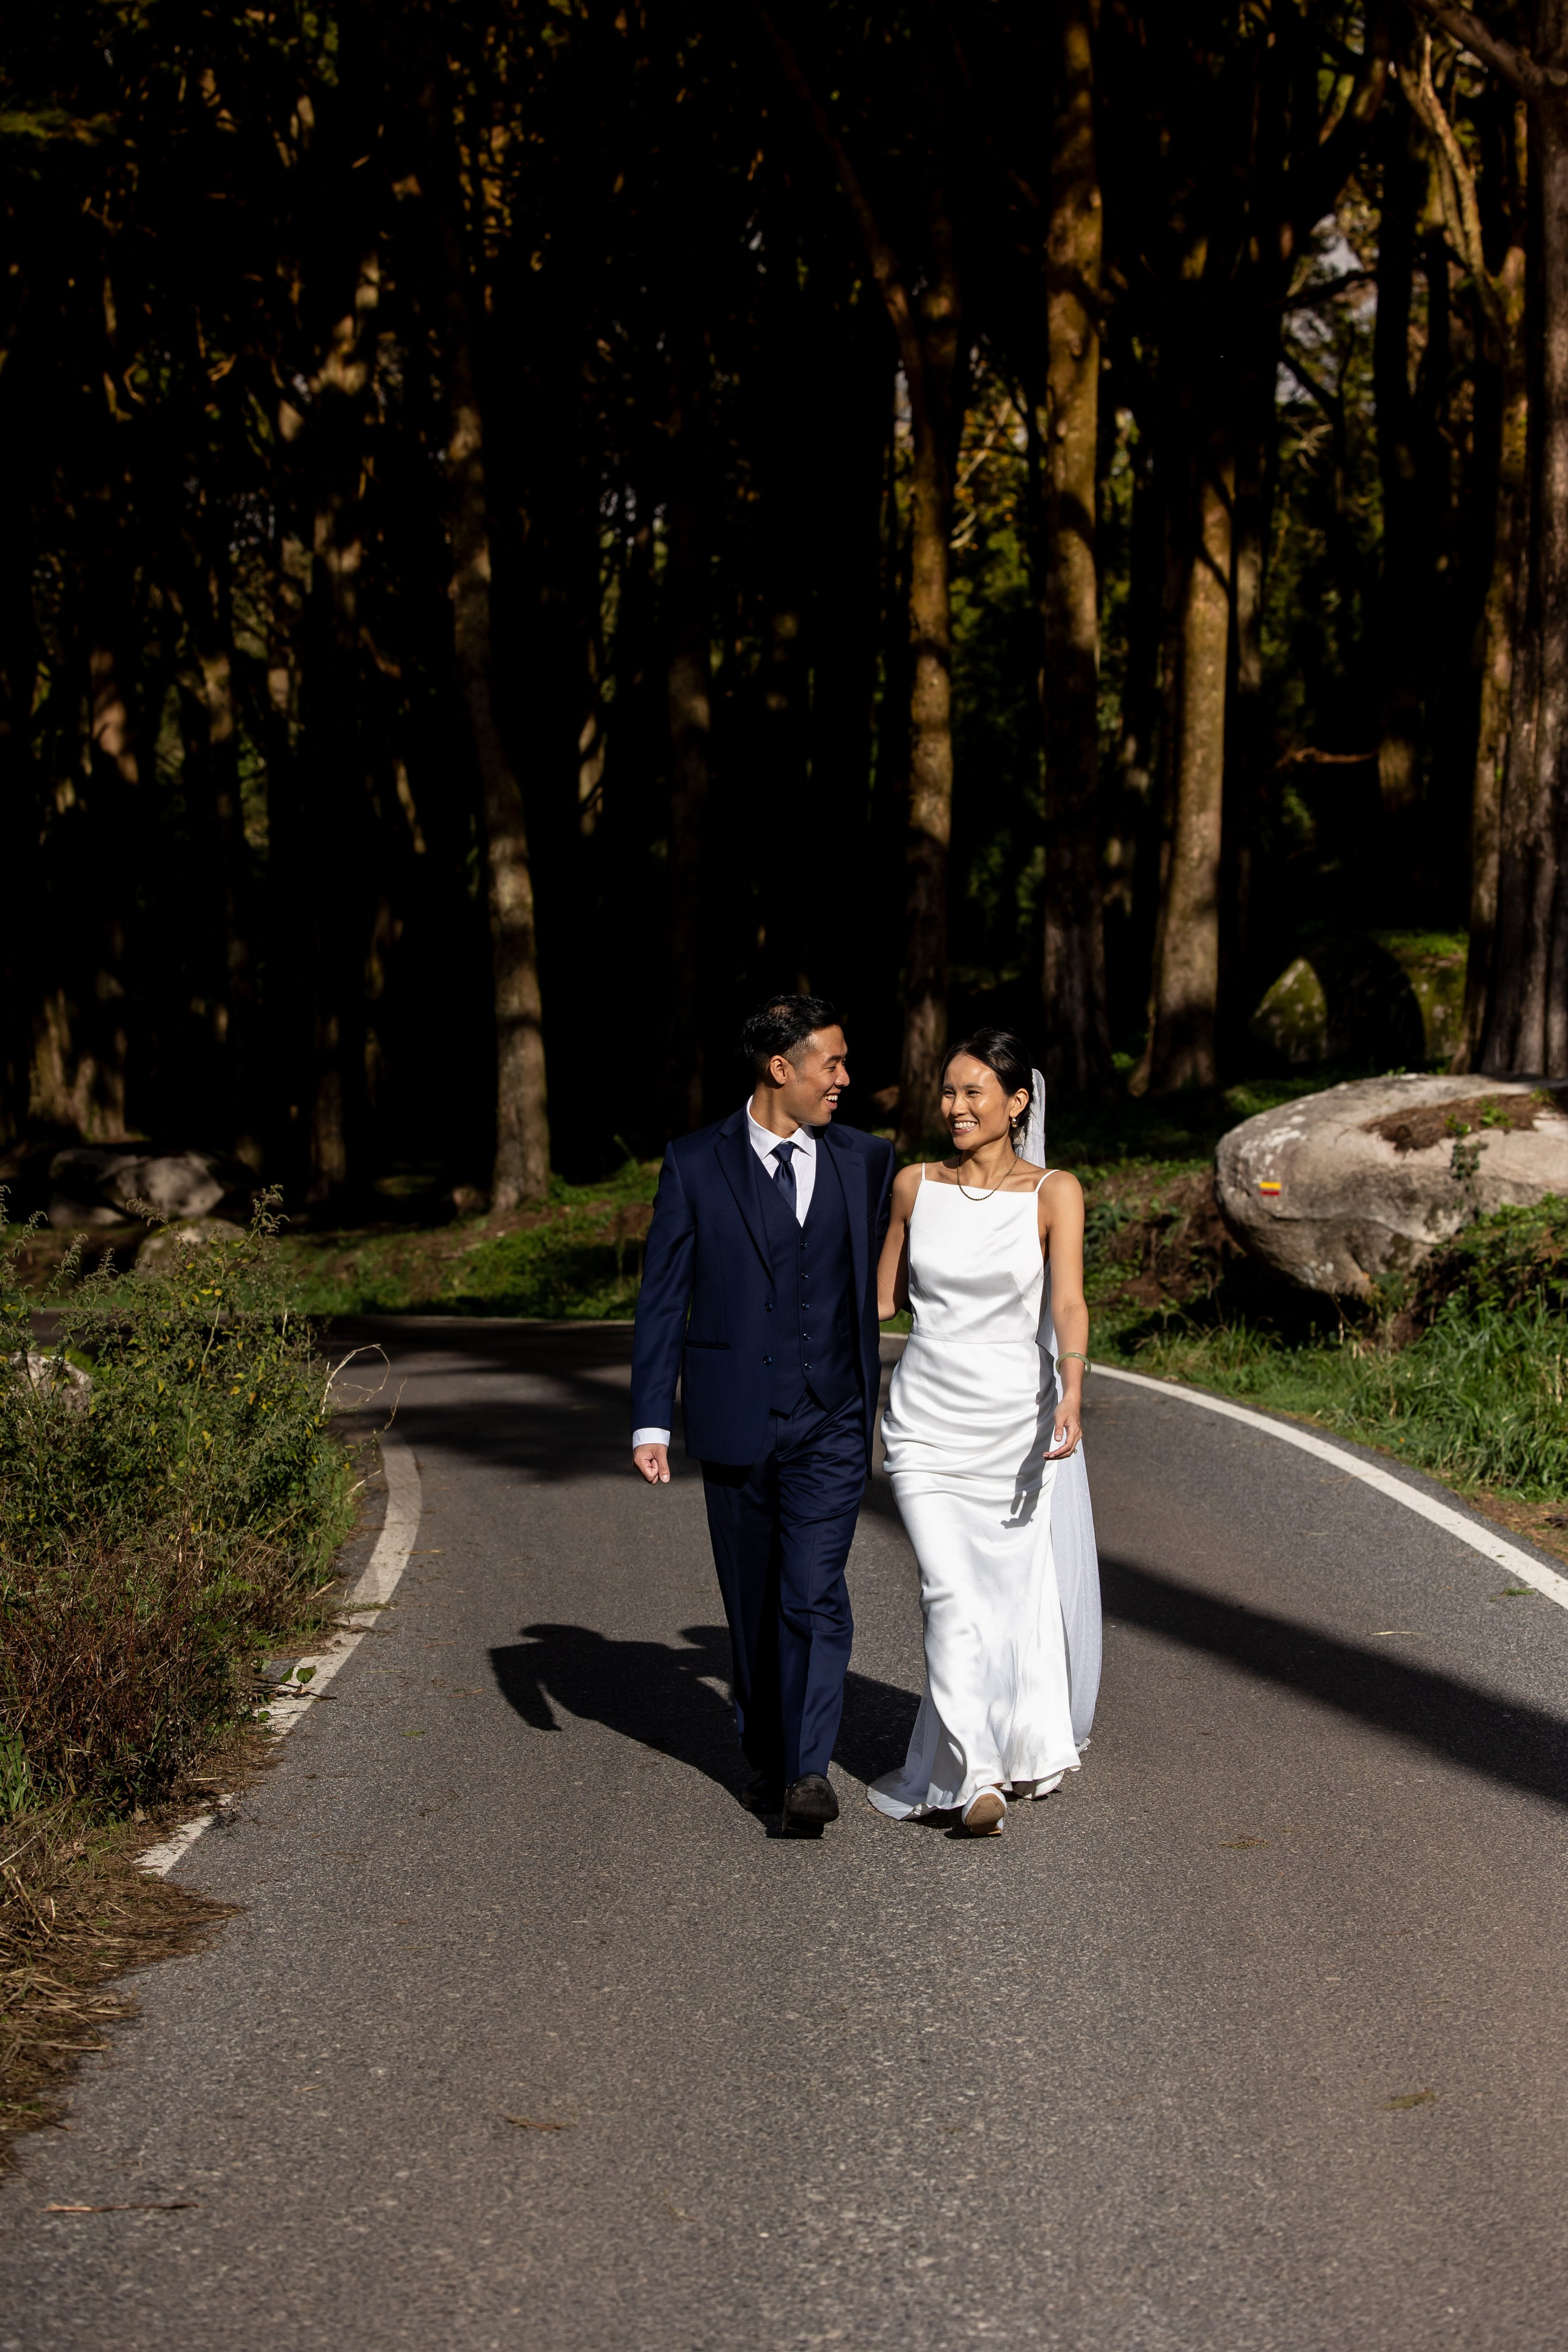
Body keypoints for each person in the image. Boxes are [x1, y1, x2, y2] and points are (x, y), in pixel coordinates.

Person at [630, 995, 895, 1835]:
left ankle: (811, 1769)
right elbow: (663, 1301)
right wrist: (651, 1420)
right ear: (781, 1069)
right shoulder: (694, 1163)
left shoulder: (867, 1160)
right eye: (833, 1064)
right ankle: (769, 1756)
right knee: (752, 1602)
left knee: (813, 1593)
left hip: (834, 1420)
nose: (846, 1080)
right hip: (736, 1416)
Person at [869, 1027, 1102, 1836]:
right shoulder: (912, 1186)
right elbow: (880, 1299)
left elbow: (1068, 1301)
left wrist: (1072, 1385)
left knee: (1004, 1598)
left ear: (1016, 1102)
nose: (956, 1106)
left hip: (1014, 1427)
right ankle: (976, 1776)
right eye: (947, 1091)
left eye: (973, 1092)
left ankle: (1007, 1744)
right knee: (946, 1591)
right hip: (926, 1425)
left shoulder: (1054, 1192)